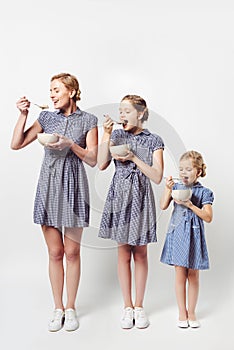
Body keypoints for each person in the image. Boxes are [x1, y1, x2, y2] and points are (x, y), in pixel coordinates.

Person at [11, 73, 98, 332]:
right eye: (50, 90)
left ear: (71, 92)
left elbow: (93, 159)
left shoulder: (89, 120)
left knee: (72, 253)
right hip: (48, 187)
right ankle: (57, 307)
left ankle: (70, 307)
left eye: (56, 90)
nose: (51, 94)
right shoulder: (46, 117)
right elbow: (17, 144)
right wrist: (23, 115)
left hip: (74, 188)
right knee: (54, 253)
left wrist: (71, 144)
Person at [98, 95, 164, 329]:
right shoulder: (116, 135)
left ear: (141, 113)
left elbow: (156, 177)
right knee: (124, 253)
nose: (122, 115)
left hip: (142, 196)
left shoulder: (154, 140)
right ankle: (127, 307)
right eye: (120, 111)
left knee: (141, 253)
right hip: (120, 196)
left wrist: (134, 157)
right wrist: (106, 134)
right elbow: (101, 164)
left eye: (126, 111)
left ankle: (139, 306)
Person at [160, 150, 214, 328]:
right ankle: (182, 312)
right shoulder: (176, 188)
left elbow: (208, 217)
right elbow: (163, 205)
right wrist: (167, 189)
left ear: (198, 172)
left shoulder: (204, 192)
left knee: (193, 275)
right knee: (180, 275)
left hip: (194, 235)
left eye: (188, 169)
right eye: (181, 169)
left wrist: (190, 205)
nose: (183, 173)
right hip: (177, 235)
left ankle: (192, 312)